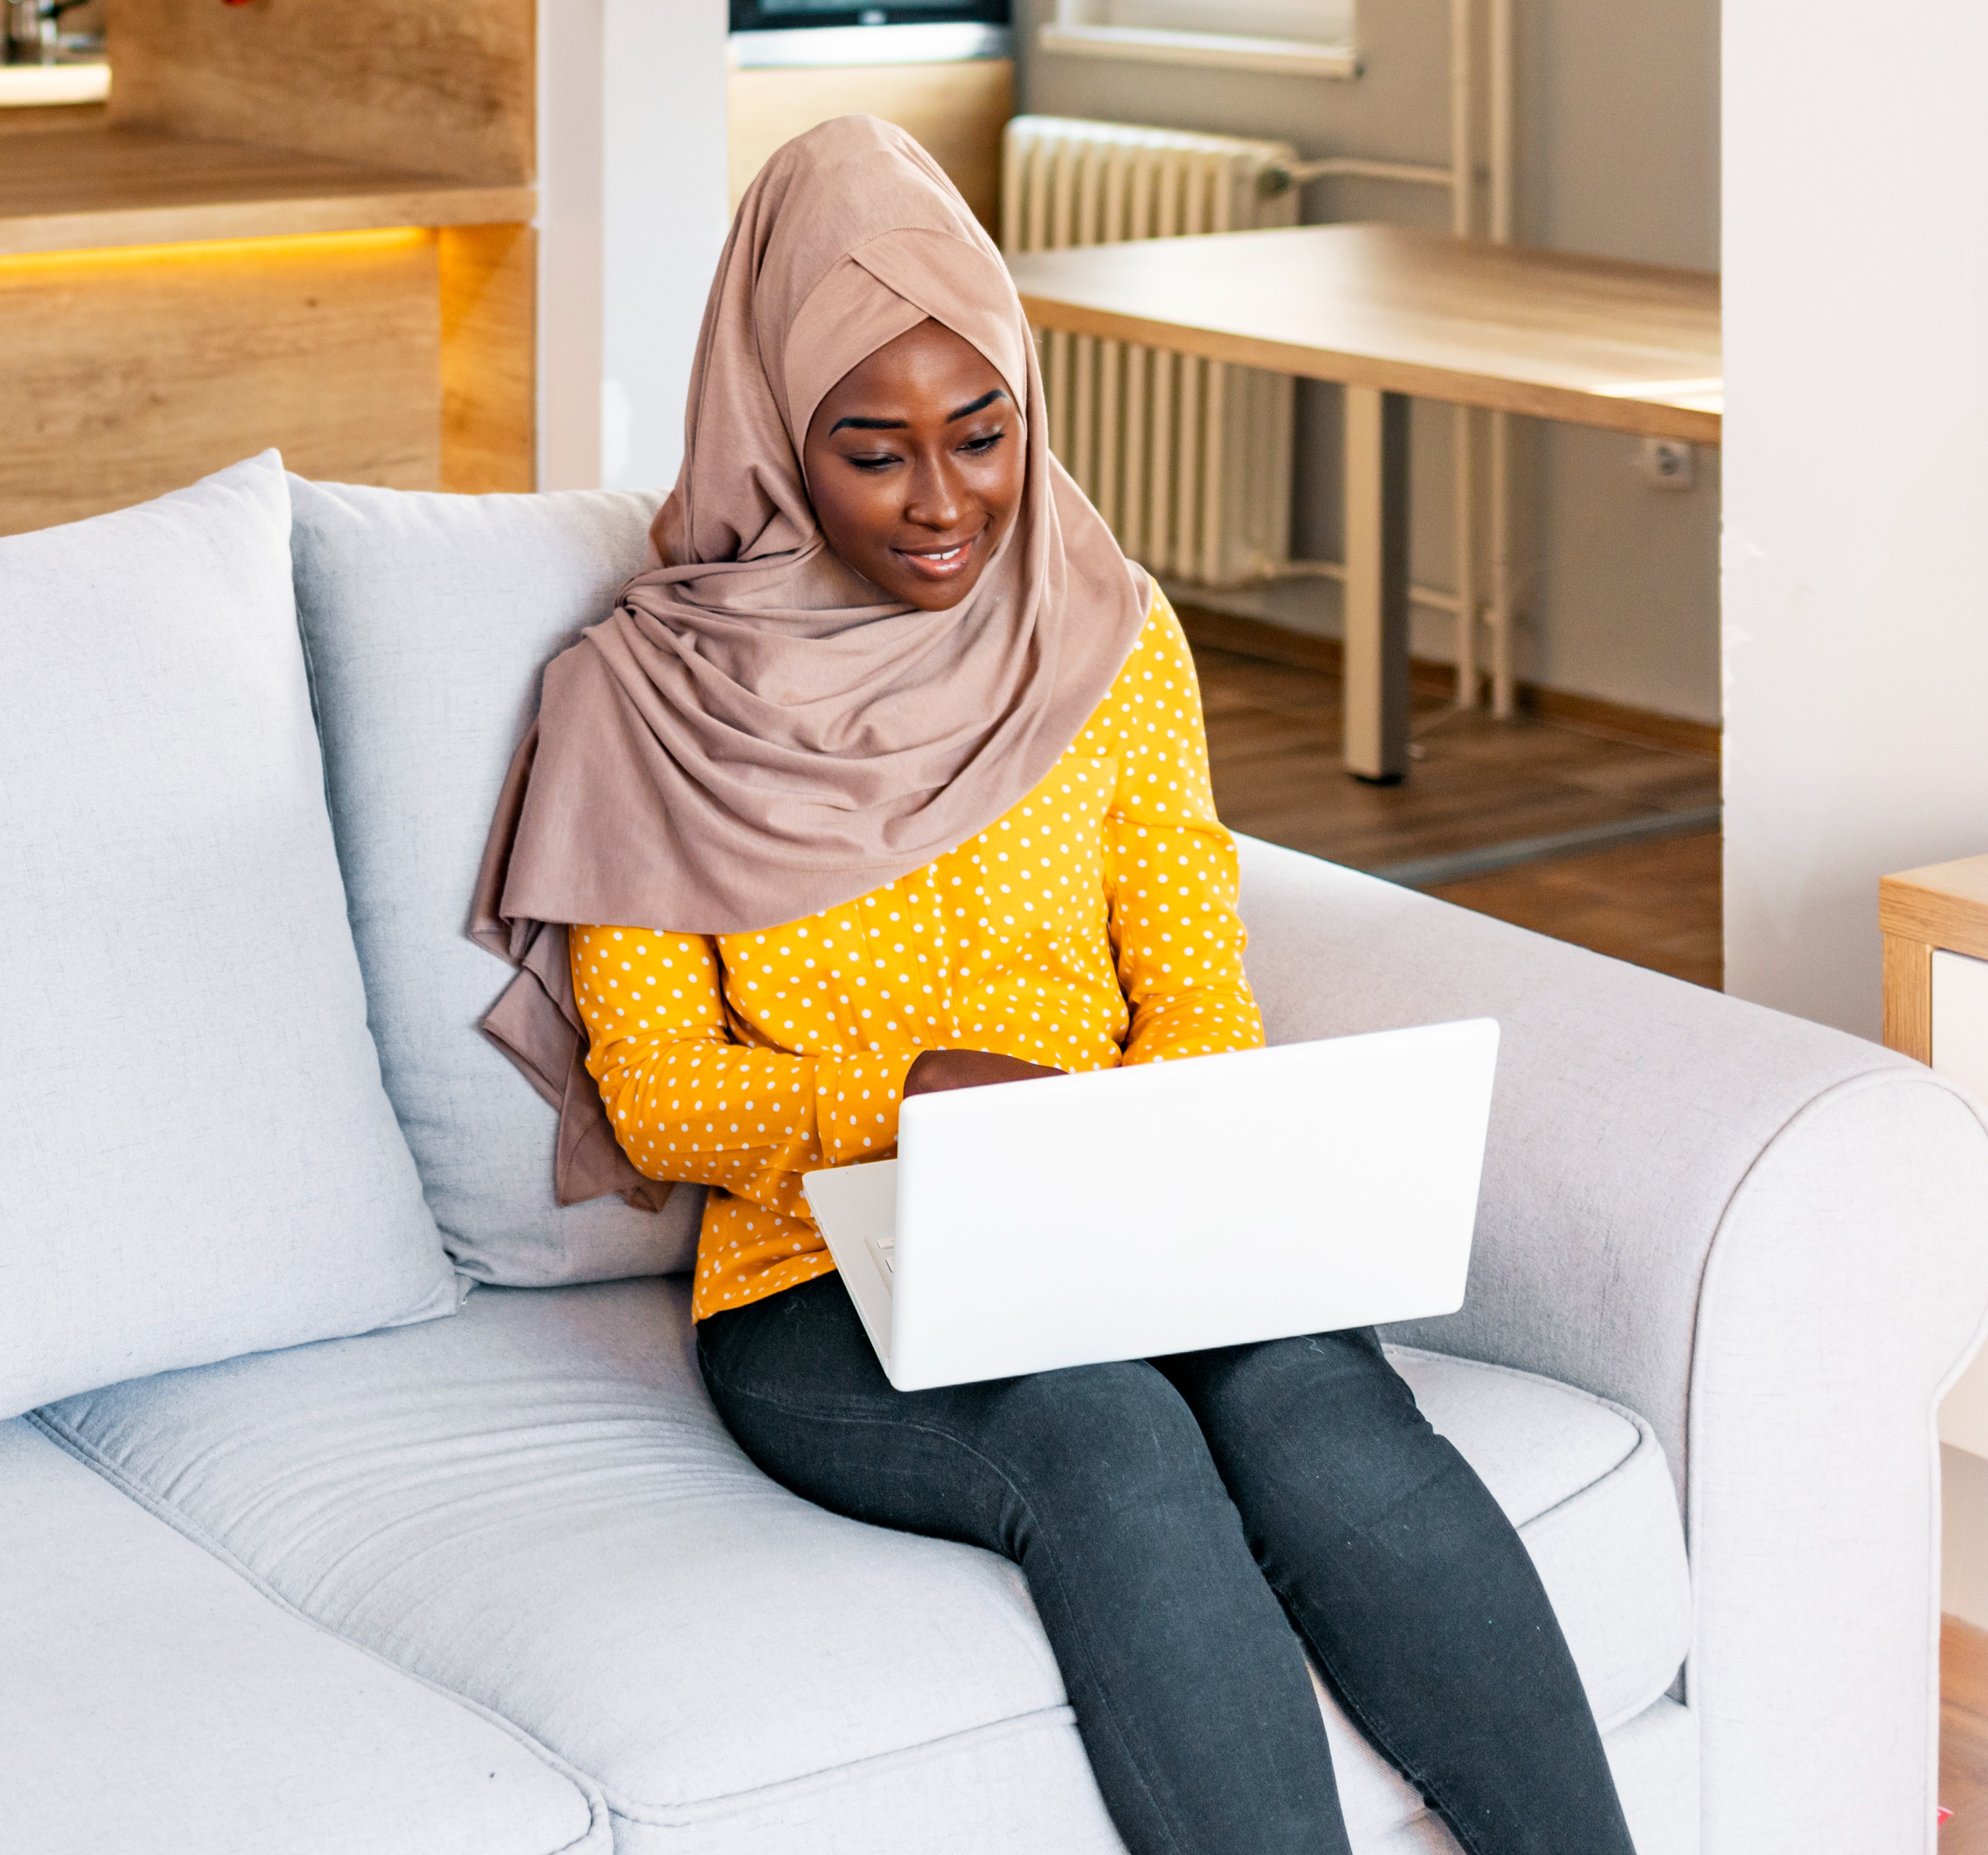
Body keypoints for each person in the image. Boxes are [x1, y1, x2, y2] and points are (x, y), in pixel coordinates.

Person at [467, 117, 1637, 1855]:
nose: (944, 506)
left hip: (1132, 1216)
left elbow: (1192, 976)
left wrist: (1155, 1145)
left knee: (1315, 1403)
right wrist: (916, 1096)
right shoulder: (640, 706)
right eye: (872, 453)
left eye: (983, 433)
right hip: (817, 1280)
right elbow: (657, 1093)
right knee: (1107, 1446)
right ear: (777, 441)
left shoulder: (1106, 631)